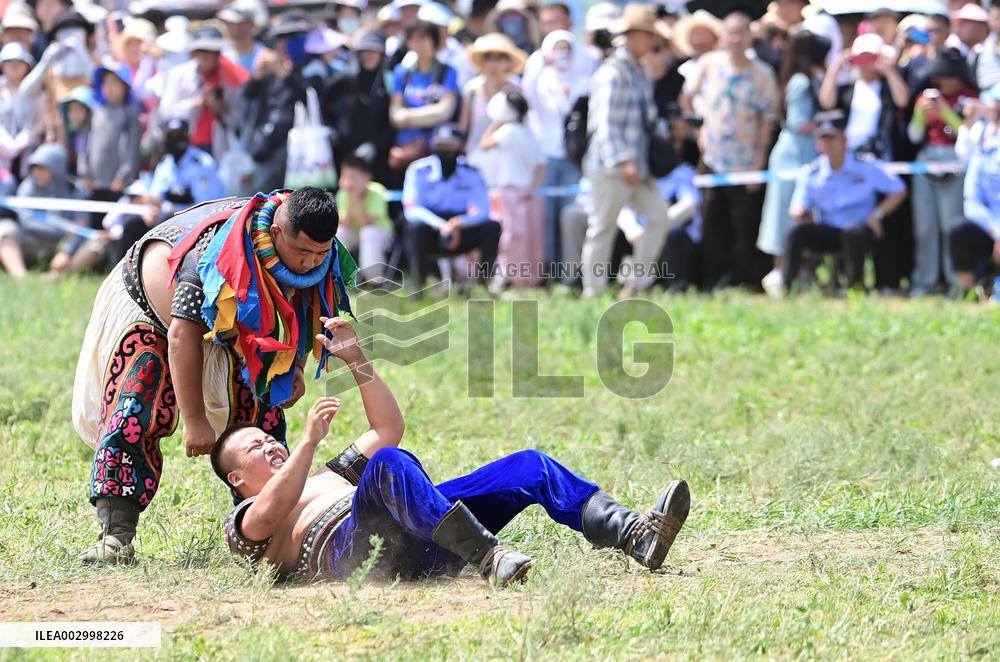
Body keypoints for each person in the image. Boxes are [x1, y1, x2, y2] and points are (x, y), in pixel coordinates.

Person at [216, 317, 691, 585]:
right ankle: (489, 557)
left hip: (426, 541)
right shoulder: (245, 521)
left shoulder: (329, 475)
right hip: (355, 554)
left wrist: (357, 361)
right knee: (386, 464)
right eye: (257, 446)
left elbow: (388, 428)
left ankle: (632, 534)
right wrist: (306, 443)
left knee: (528, 465)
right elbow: (271, 509)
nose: (271, 445)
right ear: (236, 478)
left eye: (270, 439)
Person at [72, 187, 358, 565]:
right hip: (152, 313)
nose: (311, 263)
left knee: (261, 417)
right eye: (303, 252)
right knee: (135, 407)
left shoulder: (321, 254)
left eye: (320, 253)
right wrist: (195, 420)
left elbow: (306, 305)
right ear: (276, 233)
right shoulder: (214, 255)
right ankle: (116, 535)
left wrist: (295, 366)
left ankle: (271, 525)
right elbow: (181, 336)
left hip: (237, 327)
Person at [681, 11, 778, 291]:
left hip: (745, 161)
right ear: (723, 35)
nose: (735, 39)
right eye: (730, 33)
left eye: (740, 33)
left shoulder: (762, 74)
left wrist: (759, 160)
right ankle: (712, 277)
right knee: (711, 220)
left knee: (743, 222)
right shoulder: (709, 64)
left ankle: (743, 279)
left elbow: (767, 119)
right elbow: (687, 97)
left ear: (749, 36)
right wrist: (698, 129)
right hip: (712, 159)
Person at [582, 3, 673, 299]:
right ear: (633, 36)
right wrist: (622, 161)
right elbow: (604, 124)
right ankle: (592, 292)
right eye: (648, 35)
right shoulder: (612, 73)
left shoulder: (641, 72)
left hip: (639, 166)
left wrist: (670, 131)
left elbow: (647, 120)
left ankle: (636, 284)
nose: (652, 42)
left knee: (659, 216)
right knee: (602, 227)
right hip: (610, 167)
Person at [767, 111, 908, 296]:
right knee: (796, 231)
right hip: (828, 229)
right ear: (817, 143)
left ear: (844, 139)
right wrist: (803, 213)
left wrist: (877, 214)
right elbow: (797, 206)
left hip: (860, 231)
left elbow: (899, 189)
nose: (828, 143)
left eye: (832, 138)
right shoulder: (812, 171)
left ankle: (854, 289)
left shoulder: (865, 166)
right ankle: (786, 288)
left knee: (853, 232)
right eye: (823, 138)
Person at [759, 30, 831, 290]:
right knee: (784, 216)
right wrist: (826, 123)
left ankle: (799, 271)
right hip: (793, 158)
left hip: (804, 155)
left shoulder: (807, 78)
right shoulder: (801, 82)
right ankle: (780, 272)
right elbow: (798, 122)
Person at [907, 50, 978, 296]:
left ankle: (955, 282)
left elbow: (968, 137)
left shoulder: (969, 99)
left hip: (955, 161)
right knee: (924, 226)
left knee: (951, 226)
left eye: (947, 76)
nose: (942, 82)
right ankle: (924, 281)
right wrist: (920, 113)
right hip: (926, 160)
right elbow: (914, 136)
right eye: (938, 77)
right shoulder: (923, 98)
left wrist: (945, 111)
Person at [402, 123, 501, 290]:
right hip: (430, 227)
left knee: (492, 227)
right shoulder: (418, 170)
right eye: (441, 145)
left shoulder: (471, 172)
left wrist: (458, 223)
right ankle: (418, 286)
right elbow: (412, 209)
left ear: (460, 147)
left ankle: (483, 286)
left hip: (461, 227)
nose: (446, 151)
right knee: (416, 228)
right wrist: (441, 225)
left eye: (451, 145)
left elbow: (484, 210)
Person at [523, 29, 591, 272]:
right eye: (557, 49)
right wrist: (542, 60)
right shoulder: (542, 79)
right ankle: (547, 268)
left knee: (569, 215)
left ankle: (569, 271)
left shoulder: (582, 81)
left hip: (573, 158)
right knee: (546, 216)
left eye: (566, 49)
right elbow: (528, 92)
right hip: (545, 158)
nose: (562, 54)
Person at [479, 88, 546, 289]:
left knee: (512, 236)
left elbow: (484, 144)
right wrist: (532, 187)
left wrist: (496, 122)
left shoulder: (507, 131)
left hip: (510, 190)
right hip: (529, 193)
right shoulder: (529, 132)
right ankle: (530, 279)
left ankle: (514, 281)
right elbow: (542, 165)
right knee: (531, 235)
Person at [157, 25, 249, 160]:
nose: (205, 57)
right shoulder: (179, 75)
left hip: (218, 148)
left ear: (218, 54)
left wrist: (221, 109)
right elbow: (166, 112)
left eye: (210, 52)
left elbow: (238, 120)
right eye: (201, 51)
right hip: (183, 145)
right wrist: (197, 102)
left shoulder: (230, 79)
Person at [0, 143, 86, 278]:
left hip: (61, 244)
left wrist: (66, 251)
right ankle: (21, 277)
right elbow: (27, 221)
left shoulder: (74, 189)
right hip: (31, 240)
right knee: (5, 229)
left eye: (42, 168)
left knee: (95, 243)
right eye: (34, 168)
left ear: (57, 168)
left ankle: (55, 276)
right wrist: (62, 228)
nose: (37, 173)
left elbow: (82, 226)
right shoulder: (27, 187)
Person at [388, 21, 460, 173]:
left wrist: (407, 117)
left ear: (434, 40)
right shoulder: (402, 72)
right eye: (413, 38)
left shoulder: (448, 71)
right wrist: (428, 114)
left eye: (423, 38)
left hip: (436, 148)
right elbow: (395, 115)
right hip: (405, 148)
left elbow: (444, 111)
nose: (418, 43)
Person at [949, 85, 1000, 297]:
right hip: (991, 227)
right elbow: (971, 200)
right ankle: (969, 294)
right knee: (960, 229)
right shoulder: (981, 136)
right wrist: (996, 233)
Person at [327, 31, 395, 188]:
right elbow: (325, 102)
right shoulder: (346, 80)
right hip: (346, 152)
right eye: (365, 51)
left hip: (378, 155)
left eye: (373, 51)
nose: (369, 56)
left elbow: (393, 123)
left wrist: (375, 145)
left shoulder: (389, 81)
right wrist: (332, 129)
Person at [459, 32, 526, 182]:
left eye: (500, 58)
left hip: (509, 164)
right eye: (489, 58)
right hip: (475, 160)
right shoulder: (471, 89)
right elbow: (464, 127)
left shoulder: (517, 90)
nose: (494, 64)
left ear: (508, 62)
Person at [80, 62, 141, 207]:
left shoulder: (130, 114)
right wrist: (84, 172)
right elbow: (87, 142)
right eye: (106, 83)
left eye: (114, 83)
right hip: (95, 183)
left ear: (125, 87)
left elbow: (132, 148)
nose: (109, 87)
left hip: (117, 184)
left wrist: (123, 177)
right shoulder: (96, 111)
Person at [148, 118, 226, 217]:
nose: (174, 141)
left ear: (186, 137)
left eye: (178, 136)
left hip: (201, 219)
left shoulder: (202, 163)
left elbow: (206, 206)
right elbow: (154, 199)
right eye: (170, 137)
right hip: (171, 219)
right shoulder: (165, 164)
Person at [336, 152, 394, 283]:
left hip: (380, 233)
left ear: (367, 177)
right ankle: (340, 279)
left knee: (368, 232)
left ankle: (374, 281)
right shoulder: (343, 193)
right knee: (339, 233)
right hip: (355, 233)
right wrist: (350, 197)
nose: (349, 181)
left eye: (353, 176)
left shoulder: (378, 190)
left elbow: (366, 222)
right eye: (345, 176)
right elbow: (345, 222)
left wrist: (355, 198)